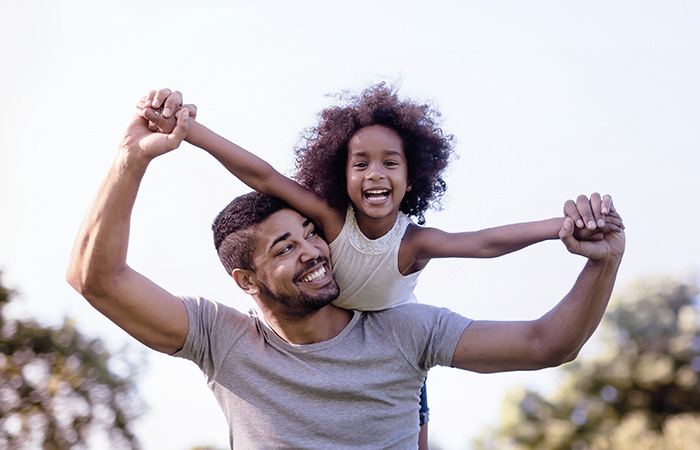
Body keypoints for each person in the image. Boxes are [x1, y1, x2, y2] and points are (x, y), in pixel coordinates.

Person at [66, 99, 625, 449]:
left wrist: (602, 261)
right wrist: (131, 156)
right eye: (286, 246)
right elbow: (97, 278)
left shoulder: (405, 332)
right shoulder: (222, 340)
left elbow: (545, 343)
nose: (314, 249)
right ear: (246, 280)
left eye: (312, 233)